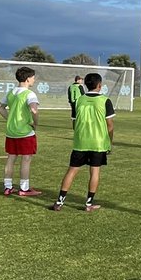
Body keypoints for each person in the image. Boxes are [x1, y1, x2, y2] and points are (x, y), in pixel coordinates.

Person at [50, 72, 115, 212]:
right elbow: (110, 125)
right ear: (99, 85)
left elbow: (74, 122)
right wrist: (110, 142)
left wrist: (79, 134)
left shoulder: (79, 100)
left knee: (72, 170)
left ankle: (59, 202)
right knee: (95, 171)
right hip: (98, 142)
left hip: (81, 141)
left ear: (85, 85)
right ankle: (89, 204)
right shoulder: (105, 100)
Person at [0, 66, 42, 197]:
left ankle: (8, 187)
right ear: (28, 79)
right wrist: (35, 123)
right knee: (26, 159)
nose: (34, 80)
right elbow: (34, 110)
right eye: (33, 78)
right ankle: (24, 188)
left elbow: (0, 107)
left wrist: (9, 119)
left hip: (11, 131)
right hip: (25, 132)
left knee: (11, 158)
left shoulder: (11, 92)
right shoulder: (29, 94)